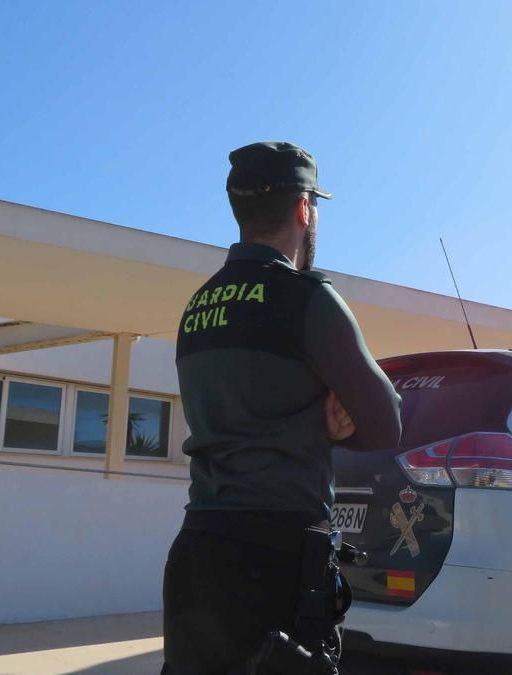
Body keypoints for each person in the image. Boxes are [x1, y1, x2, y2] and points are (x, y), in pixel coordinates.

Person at [162, 141, 402, 674]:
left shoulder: (198, 305)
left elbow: (239, 410)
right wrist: (327, 427)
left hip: (198, 551)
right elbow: (387, 424)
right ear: (303, 209)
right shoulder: (305, 298)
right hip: (279, 555)